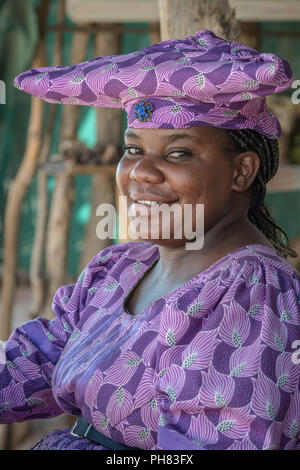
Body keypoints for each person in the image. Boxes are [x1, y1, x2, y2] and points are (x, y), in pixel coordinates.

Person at [1, 30, 300, 450]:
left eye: (178, 153)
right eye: (134, 149)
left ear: (242, 172)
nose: (141, 172)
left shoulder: (249, 300)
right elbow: (39, 358)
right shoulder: (122, 268)